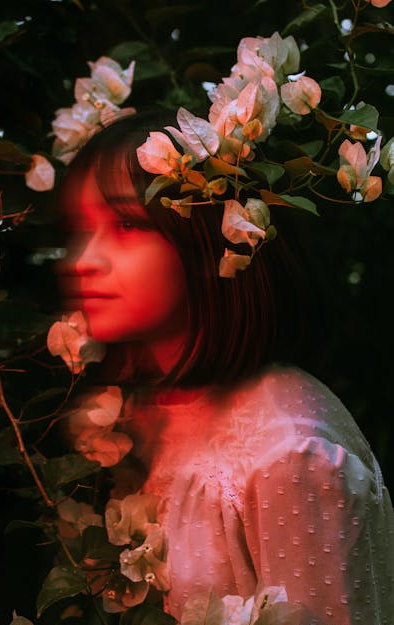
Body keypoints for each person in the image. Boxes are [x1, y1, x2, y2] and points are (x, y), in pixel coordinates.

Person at [55, 109, 394, 625]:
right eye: (83, 229)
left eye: (125, 224)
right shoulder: (133, 413)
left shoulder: (292, 455)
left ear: (211, 237)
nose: (84, 259)